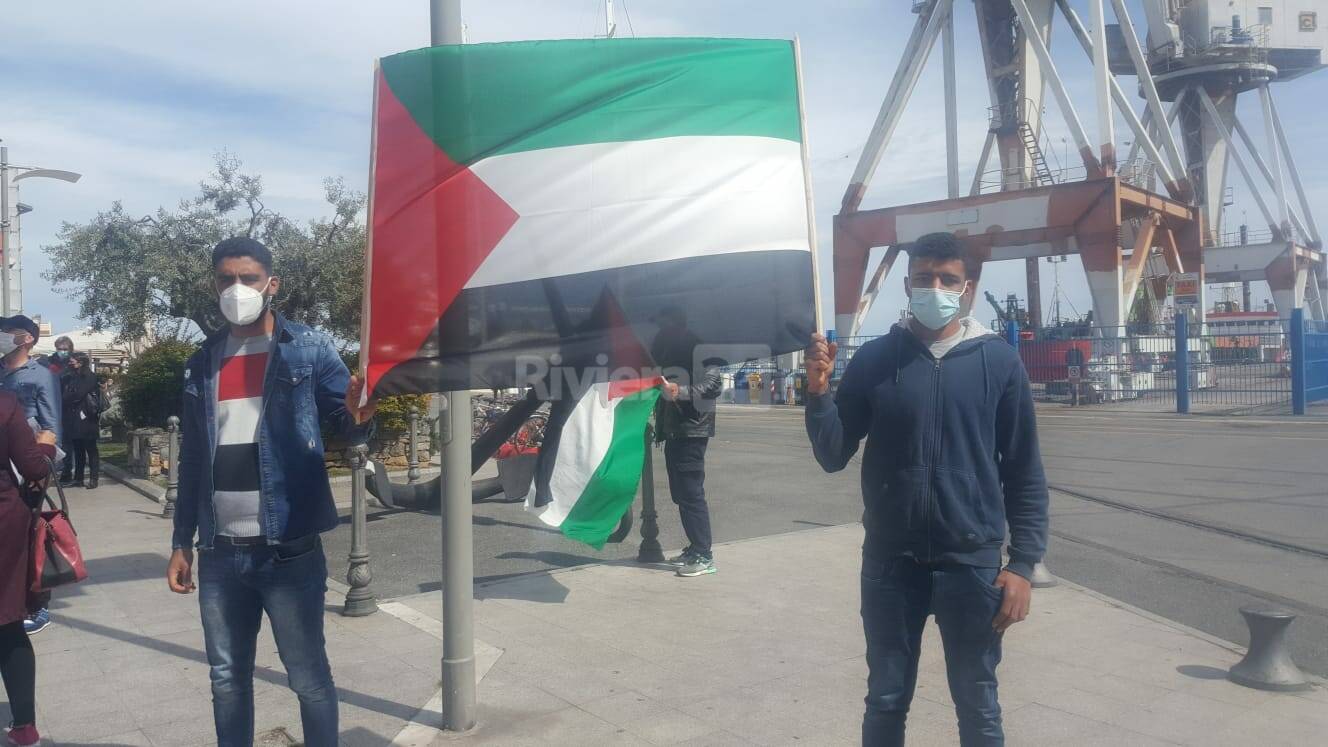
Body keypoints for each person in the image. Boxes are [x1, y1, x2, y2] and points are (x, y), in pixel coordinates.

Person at [803, 232, 1048, 746]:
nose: (933, 288)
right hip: (892, 565)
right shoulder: (875, 361)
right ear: (908, 283)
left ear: (968, 289)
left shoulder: (999, 362)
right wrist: (819, 393)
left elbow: (1024, 470)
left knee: (978, 703)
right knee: (886, 700)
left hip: (973, 565)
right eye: (922, 278)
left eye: (947, 279)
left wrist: (1023, 564)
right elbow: (831, 454)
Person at [166, 237, 375, 747]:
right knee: (226, 679)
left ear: (271, 284)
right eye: (226, 278)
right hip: (218, 553)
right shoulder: (202, 362)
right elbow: (193, 457)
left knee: (308, 679)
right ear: (214, 284)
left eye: (249, 278)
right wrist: (180, 541)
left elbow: (347, 423)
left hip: (289, 552)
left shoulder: (308, 347)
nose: (237, 288)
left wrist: (360, 415)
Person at [0, 391, 59, 747]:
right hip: (4, 523)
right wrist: (47, 445)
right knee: (7, 625)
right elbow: (34, 467)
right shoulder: (4, 402)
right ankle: (25, 729)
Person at [0, 315, 62, 637]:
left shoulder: (42, 375)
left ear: (26, 338)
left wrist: (46, 469)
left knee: (34, 534)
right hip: (5, 462)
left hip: (31, 461)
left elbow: (52, 425)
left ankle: (38, 604)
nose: (2, 336)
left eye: (7, 332)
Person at [650, 306, 723, 578]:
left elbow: (714, 385)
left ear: (675, 321)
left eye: (663, 322)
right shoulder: (671, 348)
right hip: (675, 430)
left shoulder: (698, 346)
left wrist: (678, 391)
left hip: (692, 430)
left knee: (691, 493)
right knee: (681, 493)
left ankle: (704, 554)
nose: (659, 328)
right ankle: (695, 547)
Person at [60, 352, 101, 489]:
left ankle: (94, 479)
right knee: (78, 450)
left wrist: (68, 396)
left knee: (91, 448)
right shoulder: (71, 377)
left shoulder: (89, 376)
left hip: (88, 417)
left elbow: (78, 394)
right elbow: (65, 394)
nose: (70, 363)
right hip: (74, 418)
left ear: (80, 362)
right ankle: (78, 478)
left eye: (72, 360)